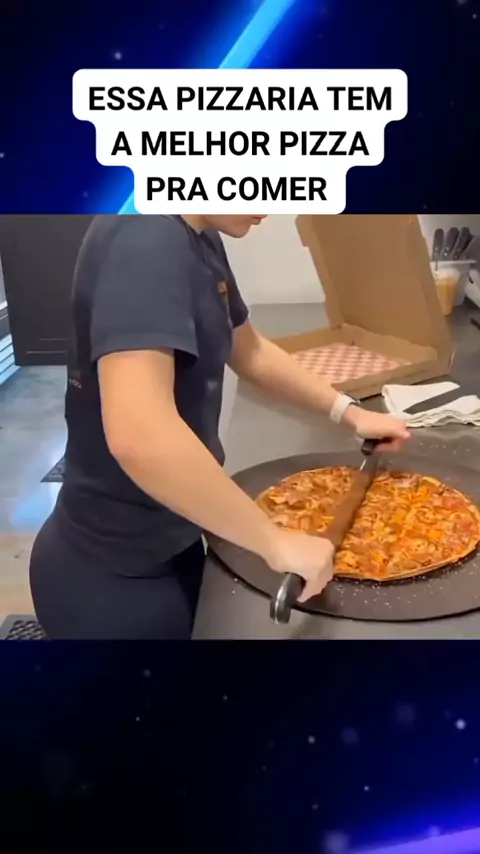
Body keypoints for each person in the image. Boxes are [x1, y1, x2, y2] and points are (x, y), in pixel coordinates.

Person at [29, 214, 410, 639]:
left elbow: (249, 350)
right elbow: (139, 435)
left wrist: (348, 411)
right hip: (113, 580)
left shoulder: (200, 236)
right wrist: (274, 542)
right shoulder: (143, 238)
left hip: (176, 536)